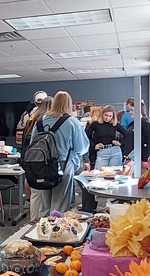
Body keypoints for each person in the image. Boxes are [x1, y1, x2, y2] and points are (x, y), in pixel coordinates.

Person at [28, 90, 89, 219]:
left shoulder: (40, 121)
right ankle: (56, 233)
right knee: (60, 203)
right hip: (64, 164)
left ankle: (42, 231)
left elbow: (33, 144)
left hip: (43, 166)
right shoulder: (72, 122)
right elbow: (82, 147)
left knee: (44, 204)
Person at [86, 105, 129, 169]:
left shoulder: (115, 124)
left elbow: (127, 134)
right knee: (98, 174)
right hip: (102, 151)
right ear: (102, 114)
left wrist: (120, 142)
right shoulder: (95, 124)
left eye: (110, 116)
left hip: (115, 151)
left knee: (114, 174)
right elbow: (86, 137)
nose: (107, 118)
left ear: (113, 116)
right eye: (106, 115)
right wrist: (94, 145)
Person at [83, 104, 105, 169]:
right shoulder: (100, 125)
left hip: (91, 150)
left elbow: (86, 137)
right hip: (99, 149)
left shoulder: (90, 124)